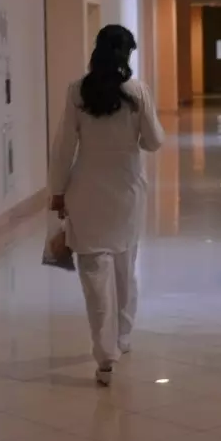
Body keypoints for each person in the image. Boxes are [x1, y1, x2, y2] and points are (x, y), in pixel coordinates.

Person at [48, 25, 164, 387]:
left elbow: (63, 147)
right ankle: (123, 336)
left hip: (85, 191)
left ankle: (104, 354)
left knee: (94, 274)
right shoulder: (137, 91)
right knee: (124, 266)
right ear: (127, 54)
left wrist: (57, 191)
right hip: (126, 190)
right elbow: (154, 141)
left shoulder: (77, 91)